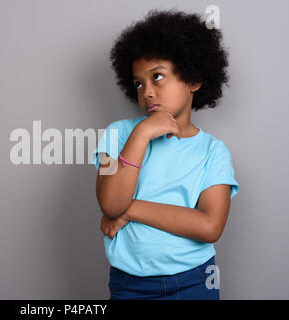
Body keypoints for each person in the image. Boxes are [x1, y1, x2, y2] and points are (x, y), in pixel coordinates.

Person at [91, 9, 239, 300]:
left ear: (194, 79)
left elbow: (209, 226)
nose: (146, 91)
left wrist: (130, 210)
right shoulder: (115, 135)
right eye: (138, 83)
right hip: (129, 284)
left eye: (157, 77)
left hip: (195, 280)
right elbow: (110, 203)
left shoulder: (213, 151)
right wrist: (142, 133)